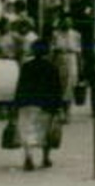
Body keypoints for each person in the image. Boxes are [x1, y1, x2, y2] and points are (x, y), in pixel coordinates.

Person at [12, 40, 64, 171]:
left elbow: (20, 86)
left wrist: (16, 104)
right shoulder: (52, 68)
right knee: (45, 132)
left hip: (27, 103)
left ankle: (28, 157)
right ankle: (45, 158)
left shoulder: (26, 66)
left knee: (28, 131)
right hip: (45, 105)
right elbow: (57, 89)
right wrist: (59, 107)